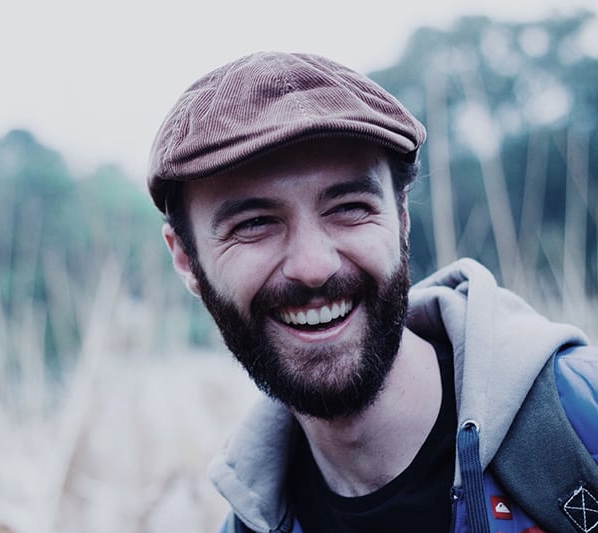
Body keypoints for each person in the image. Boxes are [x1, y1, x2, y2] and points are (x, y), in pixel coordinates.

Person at [146, 52, 598, 533]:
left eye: (349, 207)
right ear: (186, 260)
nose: (314, 267)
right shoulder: (250, 524)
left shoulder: (583, 421)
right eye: (255, 224)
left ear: (401, 217)